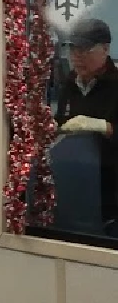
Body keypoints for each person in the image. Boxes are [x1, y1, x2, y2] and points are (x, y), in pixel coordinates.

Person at [55, 17, 118, 230]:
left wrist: (104, 127)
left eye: (84, 50)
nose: (76, 57)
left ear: (105, 49)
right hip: (73, 190)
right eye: (72, 50)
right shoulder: (70, 86)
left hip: (109, 198)